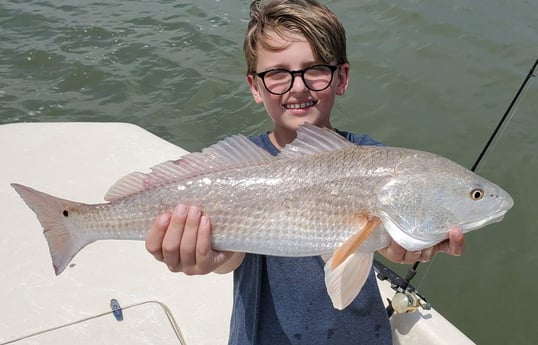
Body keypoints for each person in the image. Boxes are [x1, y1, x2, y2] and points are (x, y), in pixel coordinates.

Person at [145, 0, 465, 344]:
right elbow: (231, 257)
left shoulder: (373, 159)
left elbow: (382, 242)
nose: (298, 87)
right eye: (277, 73)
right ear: (255, 86)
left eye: (315, 70)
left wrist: (405, 246)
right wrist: (205, 257)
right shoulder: (243, 167)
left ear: (341, 77)